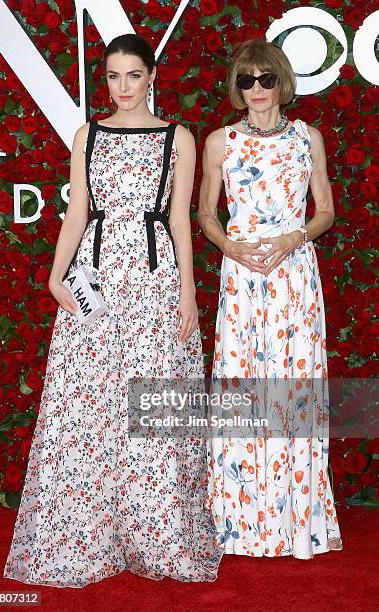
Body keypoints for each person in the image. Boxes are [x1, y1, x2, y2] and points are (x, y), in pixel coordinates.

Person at [4, 33, 222, 586]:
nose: (122, 88)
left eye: (133, 75)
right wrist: (56, 277)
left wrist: (189, 293)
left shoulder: (178, 138)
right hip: (95, 282)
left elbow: (178, 222)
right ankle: (87, 535)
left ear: (152, 76)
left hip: (153, 283)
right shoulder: (88, 135)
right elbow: (77, 212)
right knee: (87, 406)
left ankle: (156, 533)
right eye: (112, 77)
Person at [198, 39, 343, 559]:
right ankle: (240, 521)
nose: (256, 89)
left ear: (281, 81)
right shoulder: (219, 142)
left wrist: (292, 239)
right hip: (240, 277)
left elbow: (324, 209)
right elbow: (206, 214)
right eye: (246, 81)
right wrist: (231, 246)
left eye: (265, 79)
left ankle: (296, 522)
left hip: (295, 274)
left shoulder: (309, 139)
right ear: (237, 89)